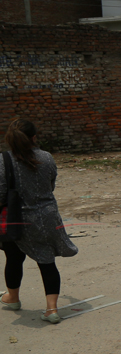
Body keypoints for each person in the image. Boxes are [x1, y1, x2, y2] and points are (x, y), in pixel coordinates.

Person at [1, 119, 78, 324]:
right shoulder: (47, 157)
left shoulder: (4, 161)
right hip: (47, 216)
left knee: (14, 258)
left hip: (16, 220)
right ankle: (51, 309)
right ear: (34, 138)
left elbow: (1, 195)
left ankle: (13, 298)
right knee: (47, 261)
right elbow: (50, 185)